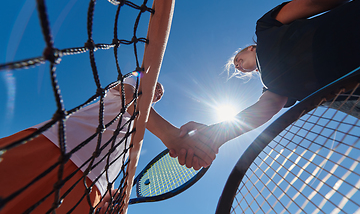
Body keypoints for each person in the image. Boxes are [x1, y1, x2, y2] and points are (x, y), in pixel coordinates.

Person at [175, 0, 360, 168]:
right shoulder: (273, 87)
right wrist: (215, 134)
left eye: (237, 59)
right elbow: (266, 109)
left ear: (251, 48)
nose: (238, 65)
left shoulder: (265, 29)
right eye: (238, 67)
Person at [0, 77, 215, 213]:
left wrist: (108, 193)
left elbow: (114, 157)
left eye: (160, 93)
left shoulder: (139, 131)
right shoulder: (137, 81)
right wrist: (171, 134)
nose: (158, 92)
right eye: (157, 87)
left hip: (88, 189)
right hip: (56, 146)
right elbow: (131, 97)